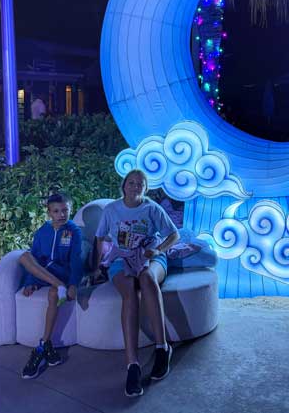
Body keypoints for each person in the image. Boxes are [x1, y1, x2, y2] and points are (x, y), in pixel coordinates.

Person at [94, 169, 179, 397]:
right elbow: (99, 238)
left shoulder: (152, 208)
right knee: (130, 291)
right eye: (131, 182)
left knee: (147, 279)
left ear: (146, 188)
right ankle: (132, 365)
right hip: (121, 258)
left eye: (140, 183)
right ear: (124, 186)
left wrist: (158, 249)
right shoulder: (111, 209)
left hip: (150, 256)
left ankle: (162, 348)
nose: (135, 186)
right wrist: (96, 267)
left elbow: (174, 235)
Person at [18, 193, 84, 379]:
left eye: (65, 210)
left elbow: (76, 260)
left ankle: (42, 345)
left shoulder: (73, 231)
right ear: (49, 213)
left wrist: (73, 284)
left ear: (70, 210)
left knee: (54, 295)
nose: (61, 214)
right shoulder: (42, 231)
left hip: (62, 274)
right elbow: (35, 256)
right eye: (56, 211)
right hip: (44, 274)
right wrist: (30, 282)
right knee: (24, 256)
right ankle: (59, 285)